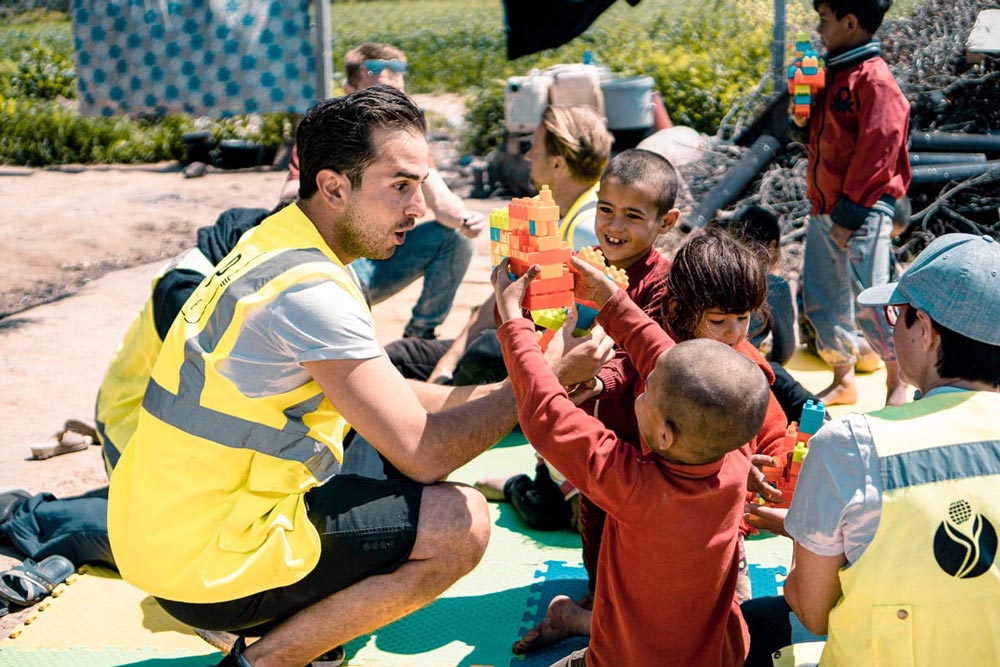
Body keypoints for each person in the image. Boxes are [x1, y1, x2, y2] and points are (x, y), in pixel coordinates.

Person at [105, 86, 608, 667]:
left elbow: (392, 398)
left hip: (164, 527)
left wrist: (510, 385)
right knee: (460, 521)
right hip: (204, 560)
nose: (418, 209)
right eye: (400, 186)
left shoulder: (279, 242)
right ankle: (267, 659)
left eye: (420, 184)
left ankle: (298, 629)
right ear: (334, 187)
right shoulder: (311, 294)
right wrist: (539, 383)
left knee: (386, 436)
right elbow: (427, 454)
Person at [512, 228, 791, 655]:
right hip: (711, 631)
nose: (735, 332)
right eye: (720, 321)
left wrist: (515, 324)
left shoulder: (629, 484)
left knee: (638, 619)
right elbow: (664, 357)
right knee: (716, 620)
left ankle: (573, 619)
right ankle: (577, 617)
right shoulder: (731, 455)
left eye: (649, 390)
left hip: (626, 648)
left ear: (662, 433)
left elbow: (546, 413)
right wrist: (612, 302)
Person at [743, 233, 1000, 666]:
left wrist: (808, 536)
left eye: (898, 315)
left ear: (926, 329)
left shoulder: (852, 445)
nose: (892, 329)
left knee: (752, 623)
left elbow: (812, 610)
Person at [0, 207, 274, 568]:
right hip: (136, 427)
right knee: (197, 542)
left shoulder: (263, 247)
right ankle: (28, 517)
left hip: (192, 423)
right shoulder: (186, 289)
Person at [475, 148, 679, 532]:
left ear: (666, 222)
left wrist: (600, 380)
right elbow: (533, 328)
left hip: (627, 436)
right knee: (547, 513)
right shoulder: (577, 265)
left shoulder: (664, 286)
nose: (614, 226)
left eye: (633, 216)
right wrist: (511, 300)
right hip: (574, 418)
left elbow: (645, 355)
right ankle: (518, 483)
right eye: (605, 210)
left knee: (613, 525)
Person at [386, 104, 613, 384]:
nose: (528, 156)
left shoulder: (587, 231)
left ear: (557, 163)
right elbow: (502, 294)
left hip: (547, 371)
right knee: (399, 357)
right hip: (524, 351)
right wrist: (447, 363)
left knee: (487, 349)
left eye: (536, 151)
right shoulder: (554, 214)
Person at [282, 42, 486, 340]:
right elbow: (289, 193)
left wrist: (464, 219)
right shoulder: (329, 135)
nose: (389, 107)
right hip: (340, 256)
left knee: (454, 239)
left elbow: (444, 206)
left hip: (382, 256)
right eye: (377, 95)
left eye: (395, 95)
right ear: (350, 91)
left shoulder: (406, 140)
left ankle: (419, 339)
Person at [798, 0, 910, 407]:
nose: (819, 27)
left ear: (850, 22)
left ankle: (898, 381)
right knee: (823, 296)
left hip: (860, 209)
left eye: (825, 19)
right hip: (825, 204)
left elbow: (880, 147)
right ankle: (843, 376)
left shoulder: (874, 79)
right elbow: (819, 138)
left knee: (872, 300)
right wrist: (800, 110)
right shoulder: (832, 74)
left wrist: (851, 213)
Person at [718, 206, 824, 422]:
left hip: (705, 356)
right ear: (773, 246)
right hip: (747, 362)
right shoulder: (774, 285)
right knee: (808, 406)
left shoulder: (715, 275)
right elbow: (785, 348)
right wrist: (767, 362)